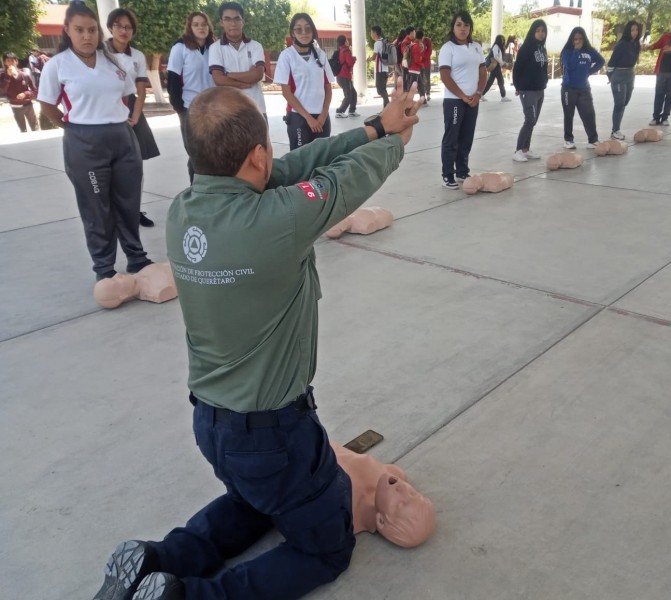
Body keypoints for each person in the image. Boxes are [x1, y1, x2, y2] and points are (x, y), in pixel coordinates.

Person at [90, 79, 422, 600]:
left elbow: (292, 168)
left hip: (213, 425)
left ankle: (155, 561)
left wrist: (377, 125)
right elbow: (346, 179)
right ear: (259, 155)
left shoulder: (184, 210)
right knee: (326, 548)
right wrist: (395, 140)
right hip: (276, 437)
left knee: (254, 502)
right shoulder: (277, 220)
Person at [37, 2, 152, 284]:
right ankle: (104, 268)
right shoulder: (57, 65)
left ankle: (137, 258)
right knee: (96, 208)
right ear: (67, 31)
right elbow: (47, 105)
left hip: (122, 140)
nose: (87, 36)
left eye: (91, 30)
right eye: (79, 30)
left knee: (128, 202)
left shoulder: (114, 61)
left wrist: (122, 121)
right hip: (85, 144)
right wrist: (69, 126)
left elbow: (127, 96)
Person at [105, 7, 160, 229]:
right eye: (118, 25)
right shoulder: (100, 53)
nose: (123, 31)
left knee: (135, 165)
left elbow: (141, 90)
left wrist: (135, 116)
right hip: (105, 112)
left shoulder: (136, 56)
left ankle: (134, 211)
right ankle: (113, 213)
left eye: (128, 27)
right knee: (109, 166)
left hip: (131, 110)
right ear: (110, 27)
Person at [331, 442, 435, 548]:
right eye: (413, 494)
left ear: (381, 521)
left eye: (400, 504)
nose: (403, 489)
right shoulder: (394, 474)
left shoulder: (345, 513)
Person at [438, 10, 487, 189]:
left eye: (466, 25)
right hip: (455, 101)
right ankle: (448, 174)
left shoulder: (476, 47)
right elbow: (445, 76)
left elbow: (483, 72)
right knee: (452, 139)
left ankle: (462, 171)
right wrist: (462, 96)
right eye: (459, 25)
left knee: (466, 138)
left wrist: (478, 94)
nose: (463, 29)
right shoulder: (447, 48)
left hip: (473, 100)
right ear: (453, 27)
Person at [167, 11, 215, 183]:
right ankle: (196, 190)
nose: (201, 27)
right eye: (196, 24)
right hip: (189, 107)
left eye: (204, 24)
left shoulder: (214, 48)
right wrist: (179, 108)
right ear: (190, 27)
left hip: (212, 108)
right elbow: (172, 79)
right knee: (196, 152)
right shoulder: (180, 48)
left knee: (212, 150)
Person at [274, 13, 334, 150]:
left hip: (321, 118)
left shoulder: (320, 55)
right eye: (298, 29)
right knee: (300, 161)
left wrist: (323, 115)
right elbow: (286, 92)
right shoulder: (287, 56)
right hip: (299, 118)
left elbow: (328, 88)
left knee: (322, 159)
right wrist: (308, 118)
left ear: (313, 31)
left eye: (308, 28)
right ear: (292, 33)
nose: (304, 33)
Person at [208, 1, 267, 118]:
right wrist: (247, 78)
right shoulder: (215, 48)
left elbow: (257, 75)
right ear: (221, 22)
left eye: (237, 19)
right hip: (228, 110)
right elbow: (219, 79)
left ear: (243, 21)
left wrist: (228, 74)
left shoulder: (255, 46)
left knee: (260, 137)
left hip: (256, 108)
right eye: (227, 19)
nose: (233, 23)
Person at [560, 26, 604, 150]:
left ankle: (593, 139)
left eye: (580, 39)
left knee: (589, 114)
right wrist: (576, 51)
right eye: (575, 39)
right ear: (572, 40)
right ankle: (568, 139)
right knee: (569, 115)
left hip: (584, 89)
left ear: (584, 39)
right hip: (569, 88)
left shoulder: (590, 51)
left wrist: (589, 71)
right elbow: (570, 66)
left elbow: (601, 61)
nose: (578, 41)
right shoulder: (567, 51)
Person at [511, 19, 549, 162]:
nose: (541, 33)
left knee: (533, 121)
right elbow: (517, 68)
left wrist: (545, 81)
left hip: (540, 89)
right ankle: (518, 150)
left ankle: (526, 149)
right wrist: (518, 86)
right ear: (533, 32)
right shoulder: (526, 48)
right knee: (530, 120)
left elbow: (544, 68)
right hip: (528, 90)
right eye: (538, 31)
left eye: (543, 31)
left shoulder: (542, 49)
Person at [606, 20, 641, 139]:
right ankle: (615, 130)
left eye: (636, 30)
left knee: (625, 101)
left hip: (630, 74)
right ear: (628, 31)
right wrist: (610, 76)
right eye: (632, 30)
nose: (635, 32)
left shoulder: (636, 44)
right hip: (619, 75)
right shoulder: (621, 45)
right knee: (619, 103)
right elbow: (611, 62)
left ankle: (616, 128)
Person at [1, 52, 39, 133]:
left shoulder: (24, 75)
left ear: (16, 61)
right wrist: (8, 77)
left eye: (12, 60)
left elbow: (35, 91)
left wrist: (25, 94)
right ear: (4, 62)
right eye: (8, 61)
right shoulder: (3, 76)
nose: (10, 63)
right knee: (22, 129)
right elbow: (2, 90)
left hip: (28, 104)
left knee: (35, 127)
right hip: (15, 106)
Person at [334, 34, 358, 118]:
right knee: (348, 95)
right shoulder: (346, 51)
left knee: (353, 93)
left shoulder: (339, 50)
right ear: (345, 42)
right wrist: (354, 59)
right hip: (344, 77)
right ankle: (340, 111)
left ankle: (352, 110)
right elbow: (350, 62)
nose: (348, 41)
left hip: (341, 76)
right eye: (347, 40)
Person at [482, 35, 511, 102]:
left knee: (490, 81)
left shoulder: (498, 47)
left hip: (496, 66)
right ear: (498, 40)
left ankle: (481, 94)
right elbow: (495, 56)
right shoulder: (496, 47)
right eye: (501, 40)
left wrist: (502, 63)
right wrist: (502, 63)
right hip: (495, 66)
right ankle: (503, 96)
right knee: (500, 81)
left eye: (503, 39)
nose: (503, 41)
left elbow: (497, 57)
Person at [370, 25, 390, 107]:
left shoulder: (377, 43)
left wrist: (369, 59)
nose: (370, 34)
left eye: (371, 32)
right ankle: (386, 107)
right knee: (383, 89)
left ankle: (388, 105)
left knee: (380, 90)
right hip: (385, 69)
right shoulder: (384, 42)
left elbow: (374, 56)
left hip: (380, 70)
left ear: (375, 33)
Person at [419, 29, 433, 103]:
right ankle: (422, 94)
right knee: (420, 79)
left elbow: (429, 51)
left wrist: (423, 57)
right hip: (419, 64)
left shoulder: (428, 41)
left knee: (427, 78)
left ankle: (428, 93)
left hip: (426, 63)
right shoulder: (417, 41)